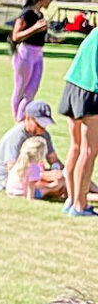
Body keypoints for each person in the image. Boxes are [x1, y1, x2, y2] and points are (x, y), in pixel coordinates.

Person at [59, 22, 98, 217]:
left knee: (76, 146)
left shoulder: (95, 33)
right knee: (89, 150)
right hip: (91, 91)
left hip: (73, 87)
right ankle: (80, 205)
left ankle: (71, 199)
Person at [0, 102, 61, 193]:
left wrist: (59, 170)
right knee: (54, 186)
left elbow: (53, 159)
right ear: (28, 118)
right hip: (8, 178)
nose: (43, 129)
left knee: (61, 182)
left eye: (45, 125)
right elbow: (12, 169)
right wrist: (44, 175)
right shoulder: (16, 136)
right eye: (39, 124)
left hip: (31, 173)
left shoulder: (44, 134)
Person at [9, 0, 52, 120]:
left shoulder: (40, 15)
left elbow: (38, 35)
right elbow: (15, 36)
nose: (50, 1)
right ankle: (18, 119)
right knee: (20, 89)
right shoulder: (26, 14)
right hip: (25, 53)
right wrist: (35, 28)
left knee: (32, 89)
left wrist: (52, 38)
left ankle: (22, 118)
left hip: (38, 54)